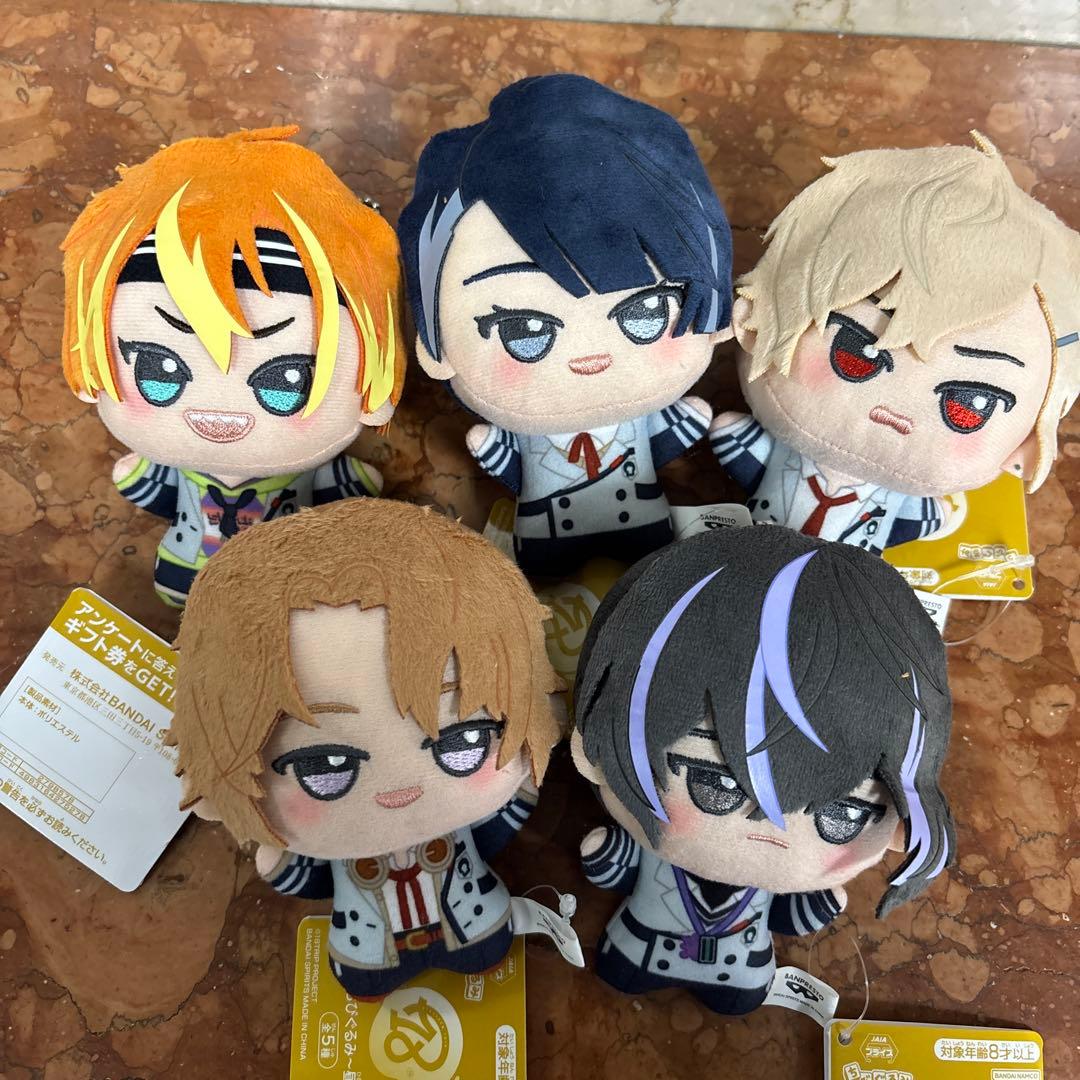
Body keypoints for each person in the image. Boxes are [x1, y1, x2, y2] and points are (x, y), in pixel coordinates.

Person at [168, 498, 564, 998]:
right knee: (371, 970)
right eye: (325, 766)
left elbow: (494, 832)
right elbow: (313, 880)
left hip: (474, 921)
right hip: (367, 946)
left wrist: (528, 777)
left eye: (463, 742)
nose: (399, 787)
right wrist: (284, 866)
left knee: (481, 946)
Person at [572, 526, 954, 1014]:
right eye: (715, 784)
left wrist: (812, 906)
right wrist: (610, 857)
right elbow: (620, 866)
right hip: (641, 946)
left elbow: (787, 915)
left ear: (902, 827)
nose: (771, 831)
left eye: (840, 815)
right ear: (595, 752)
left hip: (741, 965)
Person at [398, 74, 733, 576]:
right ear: (435, 348)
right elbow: (509, 463)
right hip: (546, 535)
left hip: (645, 536)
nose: (589, 357)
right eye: (525, 330)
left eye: (644, 312)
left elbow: (668, 437)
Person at [61, 126, 404, 604]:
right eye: (158, 371)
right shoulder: (182, 466)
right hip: (187, 572)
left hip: (290, 581)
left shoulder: (303, 471)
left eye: (286, 381)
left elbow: (344, 489)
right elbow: (148, 484)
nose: (219, 410)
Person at [710, 135, 1080, 554]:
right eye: (855, 355)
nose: (893, 415)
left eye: (967, 406)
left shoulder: (907, 506)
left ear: (1028, 444)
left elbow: (927, 519)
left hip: (851, 583)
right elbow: (733, 440)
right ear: (753, 321)